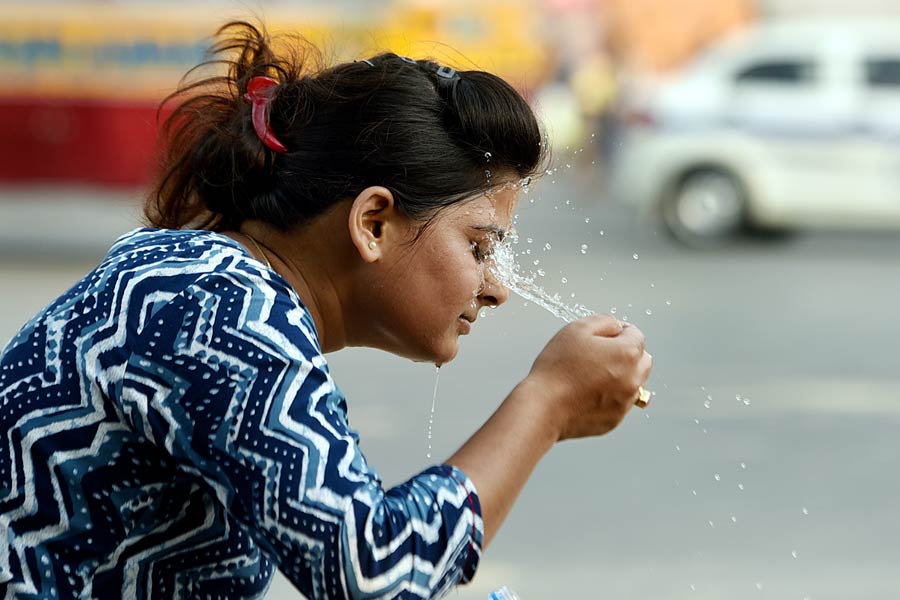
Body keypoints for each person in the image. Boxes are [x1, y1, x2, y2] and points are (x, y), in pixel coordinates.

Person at [0, 21, 652, 600]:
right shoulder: (220, 310)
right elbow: (372, 574)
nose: (496, 288)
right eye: (479, 246)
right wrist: (545, 403)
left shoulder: (202, 281)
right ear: (372, 222)